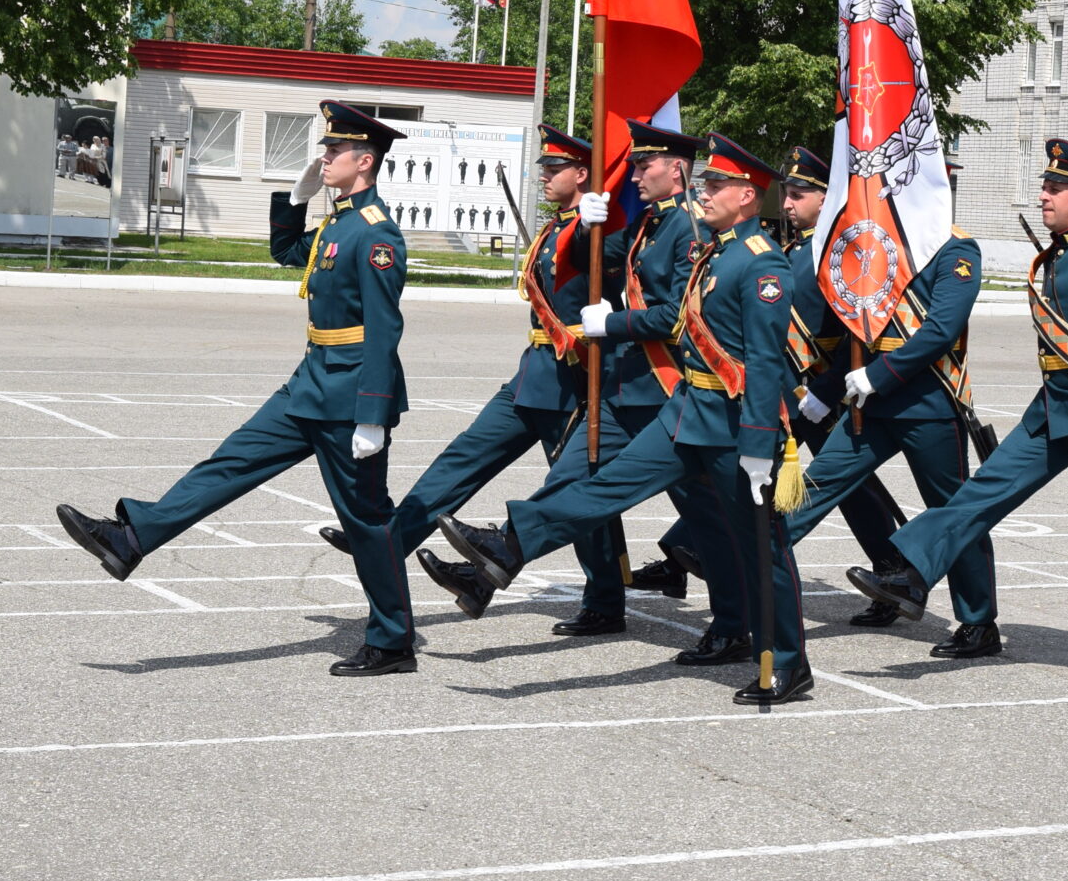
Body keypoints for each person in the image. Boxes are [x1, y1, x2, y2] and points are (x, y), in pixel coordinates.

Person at [433, 134, 810, 704]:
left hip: (734, 426)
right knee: (605, 486)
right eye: (704, 183)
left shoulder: (762, 265)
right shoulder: (719, 250)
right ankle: (508, 543)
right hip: (687, 412)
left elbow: (762, 361)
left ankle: (788, 661)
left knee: (764, 548)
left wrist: (761, 441)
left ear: (748, 197)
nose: (706, 194)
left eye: (717, 186)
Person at [53, 101, 419, 676]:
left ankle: (393, 641)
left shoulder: (377, 236)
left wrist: (372, 415)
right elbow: (286, 253)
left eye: (333, 151)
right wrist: (295, 200)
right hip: (310, 384)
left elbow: (383, 330)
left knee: (367, 520)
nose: (323, 158)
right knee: (230, 461)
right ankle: (132, 537)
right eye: (324, 150)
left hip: (350, 400)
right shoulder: (341, 222)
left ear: (364, 160)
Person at [846, 138, 1068, 690]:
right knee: (978, 495)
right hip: (1051, 413)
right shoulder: (1060, 254)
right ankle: (909, 574)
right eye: (1044, 187)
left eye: (1055, 189)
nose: (1044, 196)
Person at [315, 125, 604, 632]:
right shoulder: (558, 224)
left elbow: (590, 256)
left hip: (571, 379)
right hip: (532, 374)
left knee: (574, 490)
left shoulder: (588, 228)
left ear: (581, 174)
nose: (544, 177)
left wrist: (590, 225)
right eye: (543, 169)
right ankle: (392, 537)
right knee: (463, 458)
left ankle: (604, 597)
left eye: (554, 170)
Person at [626, 144, 915, 628]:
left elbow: (862, 330)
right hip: (781, 385)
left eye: (800, 194)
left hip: (817, 389)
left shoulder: (846, 250)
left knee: (840, 485)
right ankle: (682, 556)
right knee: (750, 481)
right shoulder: (795, 247)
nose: (787, 203)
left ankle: (892, 572)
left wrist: (828, 388)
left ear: (827, 199)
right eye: (788, 193)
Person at [783, 165, 1000, 660]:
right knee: (817, 487)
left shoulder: (956, 249)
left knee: (952, 512)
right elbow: (858, 325)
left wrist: (877, 376)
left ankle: (979, 621)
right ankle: (754, 565)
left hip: (928, 403)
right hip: (871, 404)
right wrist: (835, 383)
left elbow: (941, 329)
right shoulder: (879, 243)